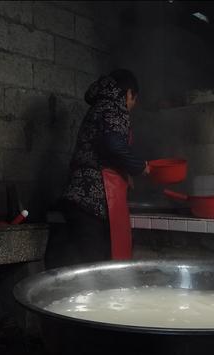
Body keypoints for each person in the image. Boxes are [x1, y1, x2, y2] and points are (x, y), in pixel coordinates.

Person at [45, 69, 149, 269]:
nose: (132, 106)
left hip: (76, 200)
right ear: (129, 94)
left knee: (78, 267)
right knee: (95, 271)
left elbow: (101, 151)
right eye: (134, 100)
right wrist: (140, 167)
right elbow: (114, 144)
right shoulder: (115, 108)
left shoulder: (99, 107)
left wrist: (125, 174)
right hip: (93, 206)